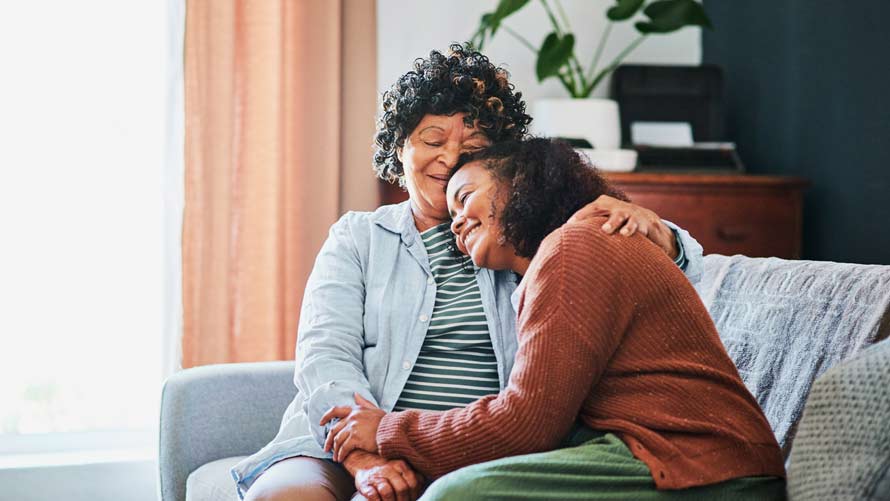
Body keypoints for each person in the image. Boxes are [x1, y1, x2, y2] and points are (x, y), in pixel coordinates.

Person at [232, 45, 704, 501]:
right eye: (432, 140)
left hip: (476, 448)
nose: (450, 158)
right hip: (346, 444)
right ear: (399, 148)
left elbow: (644, 262)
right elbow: (324, 359)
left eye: (473, 148)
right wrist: (365, 457)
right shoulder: (358, 238)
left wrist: (662, 235)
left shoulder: (527, 232)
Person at [322, 138, 787, 500]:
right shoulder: (557, 257)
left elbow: (525, 424)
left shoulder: (574, 248)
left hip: (703, 467)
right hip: (665, 457)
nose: (457, 221)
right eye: (451, 213)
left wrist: (387, 429)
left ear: (521, 183)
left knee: (460, 495)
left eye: (465, 197)